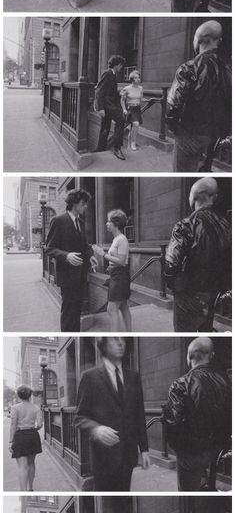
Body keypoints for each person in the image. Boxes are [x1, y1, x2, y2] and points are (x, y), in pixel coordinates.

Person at [75, 336, 150, 491]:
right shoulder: (89, 377)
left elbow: (139, 415)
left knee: (123, 503)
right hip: (103, 457)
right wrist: (96, 429)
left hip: (128, 456)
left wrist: (144, 449)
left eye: (122, 339)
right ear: (103, 346)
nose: (120, 342)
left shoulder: (134, 377)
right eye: (114, 340)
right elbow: (80, 417)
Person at [163, 338, 231, 491]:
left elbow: (172, 424)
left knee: (188, 494)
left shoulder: (180, 384)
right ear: (211, 355)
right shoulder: (227, 382)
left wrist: (182, 450)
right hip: (218, 451)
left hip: (192, 454)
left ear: (189, 357)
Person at [165, 177, 231, 332]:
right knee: (205, 330)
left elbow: (171, 264)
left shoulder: (185, 225)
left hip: (190, 295)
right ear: (213, 197)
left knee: (185, 333)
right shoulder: (228, 224)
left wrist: (179, 292)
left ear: (193, 197)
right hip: (215, 294)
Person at [166, 21, 232, 171]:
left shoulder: (188, 68)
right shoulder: (229, 70)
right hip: (215, 138)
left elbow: (172, 106)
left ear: (199, 40)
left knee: (183, 172)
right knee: (204, 170)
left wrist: (174, 129)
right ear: (219, 41)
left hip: (189, 136)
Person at [46, 189, 98, 332]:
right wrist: (66, 255)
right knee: (69, 314)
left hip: (80, 276)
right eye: (83, 203)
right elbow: (49, 248)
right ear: (74, 203)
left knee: (76, 312)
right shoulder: (58, 220)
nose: (85, 206)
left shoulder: (80, 221)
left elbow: (83, 245)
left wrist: (90, 255)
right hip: (67, 278)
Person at [9, 385, 42, 491]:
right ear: (30, 395)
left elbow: (13, 424)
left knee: (22, 466)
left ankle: (23, 491)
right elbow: (40, 424)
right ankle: (30, 488)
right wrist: (34, 429)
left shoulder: (15, 408)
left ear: (19, 395)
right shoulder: (36, 408)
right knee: (31, 463)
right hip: (33, 435)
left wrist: (10, 441)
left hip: (20, 436)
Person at [104, 209, 132, 331]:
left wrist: (103, 254)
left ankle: (114, 335)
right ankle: (129, 332)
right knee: (123, 306)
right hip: (116, 274)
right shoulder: (116, 239)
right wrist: (110, 265)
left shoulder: (121, 239)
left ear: (116, 223)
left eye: (109, 221)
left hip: (120, 276)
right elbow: (117, 260)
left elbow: (121, 261)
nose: (106, 224)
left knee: (111, 309)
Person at [95, 55, 126, 160]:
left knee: (105, 126)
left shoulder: (113, 75)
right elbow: (99, 91)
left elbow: (110, 91)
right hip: (107, 105)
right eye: (121, 65)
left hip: (110, 104)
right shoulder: (107, 73)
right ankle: (117, 148)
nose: (121, 68)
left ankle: (100, 148)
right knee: (121, 120)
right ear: (117, 65)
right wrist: (100, 108)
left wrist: (119, 93)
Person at [120, 70, 143, 151]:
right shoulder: (127, 88)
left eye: (139, 77)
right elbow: (122, 100)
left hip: (137, 109)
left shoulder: (140, 88)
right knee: (136, 124)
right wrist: (124, 109)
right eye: (136, 78)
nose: (138, 79)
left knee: (134, 127)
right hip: (131, 109)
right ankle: (133, 142)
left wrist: (143, 101)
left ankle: (129, 144)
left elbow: (141, 99)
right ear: (132, 79)